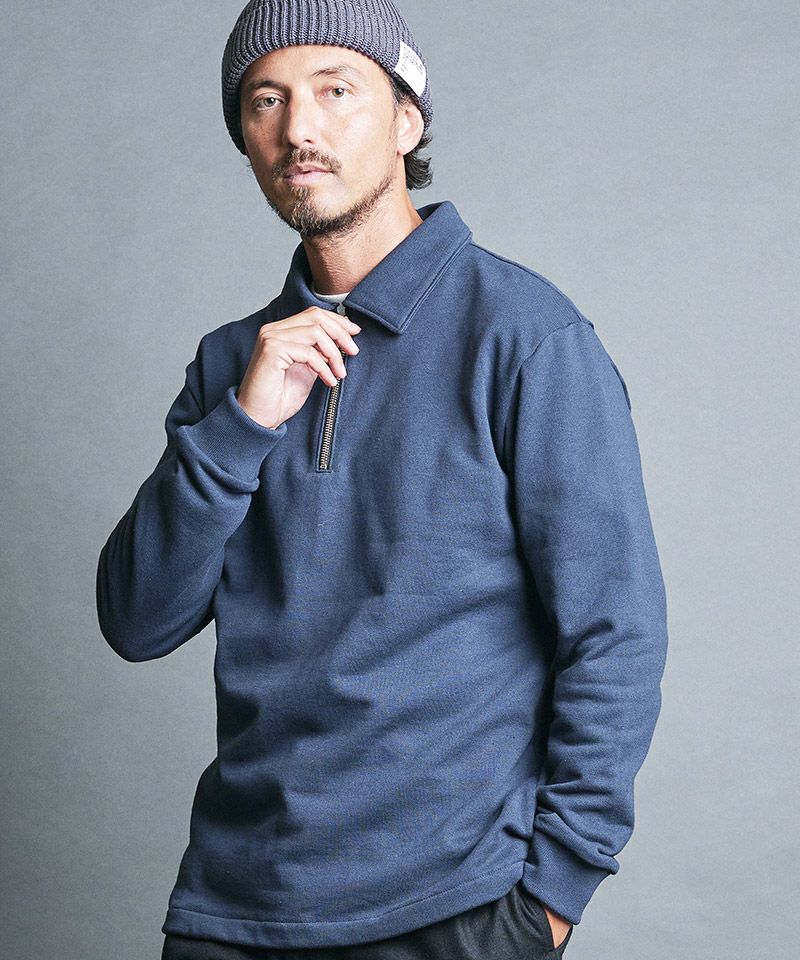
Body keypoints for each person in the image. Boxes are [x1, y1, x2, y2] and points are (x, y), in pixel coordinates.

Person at [95, 1, 669, 958]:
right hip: (234, 908)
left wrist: (553, 897)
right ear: (246, 140)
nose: (299, 128)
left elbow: (616, 631)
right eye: (266, 100)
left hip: (456, 910)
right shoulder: (232, 364)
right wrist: (242, 426)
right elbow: (136, 620)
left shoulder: (526, 336)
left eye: (336, 90)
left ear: (407, 120)